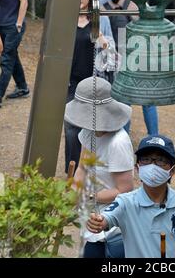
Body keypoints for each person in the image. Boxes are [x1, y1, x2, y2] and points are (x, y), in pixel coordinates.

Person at [86, 134, 175, 258]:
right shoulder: (125, 202)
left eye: (160, 160)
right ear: (137, 168)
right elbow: (106, 217)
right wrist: (98, 222)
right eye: (146, 160)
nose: (152, 165)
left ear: (172, 171)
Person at [65, 76, 134, 258]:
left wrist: (89, 196)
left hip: (112, 223)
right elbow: (82, 168)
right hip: (91, 216)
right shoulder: (88, 131)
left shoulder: (118, 143)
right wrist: (72, 193)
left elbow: (125, 190)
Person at [63, 0, 115, 174]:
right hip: (70, 83)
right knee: (71, 131)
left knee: (94, 131)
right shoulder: (65, 19)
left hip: (93, 81)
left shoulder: (101, 19)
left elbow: (111, 54)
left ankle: (91, 176)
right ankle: (71, 175)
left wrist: (102, 40)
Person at [105, 0, 159, 136]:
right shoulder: (132, 4)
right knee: (148, 102)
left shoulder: (103, 5)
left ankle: (123, 141)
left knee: (125, 102)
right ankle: (154, 138)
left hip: (116, 59)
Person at [0, 0, 29, 109]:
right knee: (12, 55)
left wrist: (18, 23)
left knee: (6, 59)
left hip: (13, 25)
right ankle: (23, 87)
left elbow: (24, 1)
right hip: (1, 23)